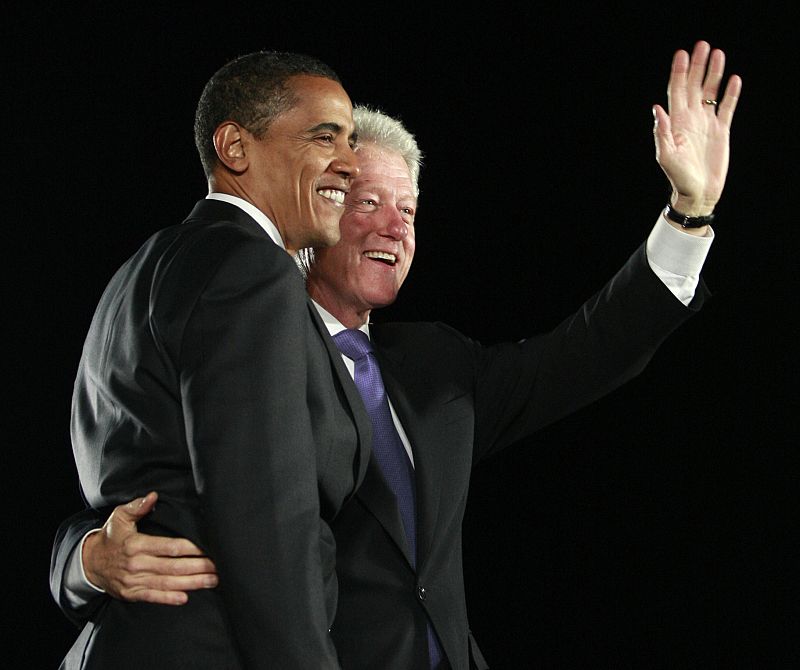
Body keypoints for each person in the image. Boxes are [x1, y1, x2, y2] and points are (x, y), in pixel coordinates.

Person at [52, 41, 741, 669]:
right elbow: (177, 494)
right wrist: (85, 559)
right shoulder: (241, 302)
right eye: (367, 201)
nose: (393, 226)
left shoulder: (437, 367)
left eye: (407, 210)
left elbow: (585, 353)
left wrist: (689, 211)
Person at [54, 50, 374, 669]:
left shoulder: (139, 270)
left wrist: (81, 558)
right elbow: (266, 523)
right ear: (234, 147)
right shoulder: (252, 267)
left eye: (351, 141)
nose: (350, 163)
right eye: (324, 136)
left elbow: (132, 484)